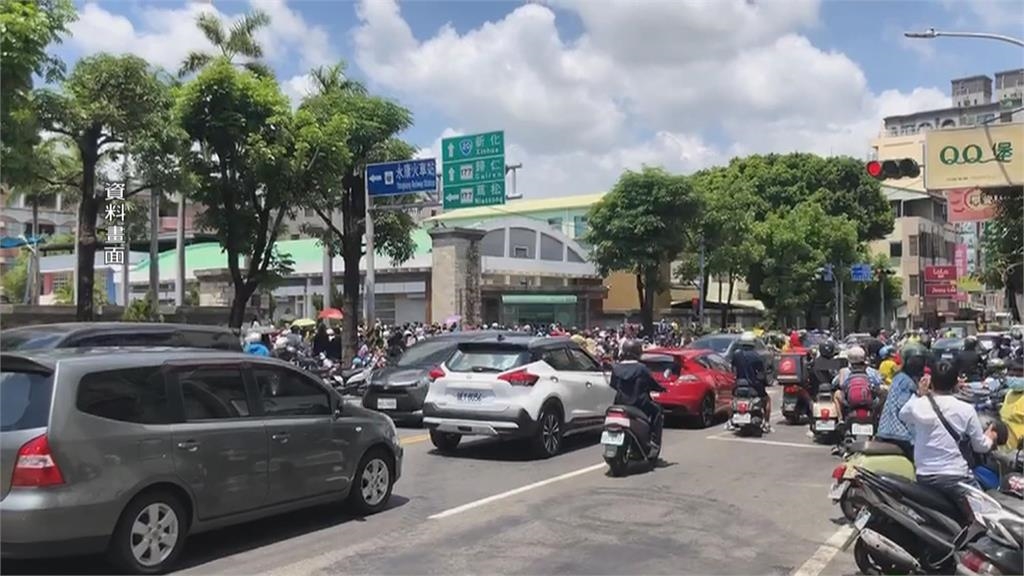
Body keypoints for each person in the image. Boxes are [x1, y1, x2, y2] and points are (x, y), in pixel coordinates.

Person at [899, 360, 997, 507]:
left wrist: (920, 394)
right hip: (955, 476)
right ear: (956, 382)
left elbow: (903, 415)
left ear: (931, 381)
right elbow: (980, 447)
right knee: (988, 513)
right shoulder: (965, 409)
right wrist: (991, 437)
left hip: (924, 476)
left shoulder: (918, 404)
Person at [609, 339, 666, 456]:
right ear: (638, 352)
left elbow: (613, 384)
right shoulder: (642, 369)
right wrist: (661, 389)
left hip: (620, 403)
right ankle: (654, 442)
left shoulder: (616, 368)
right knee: (657, 412)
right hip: (640, 404)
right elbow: (652, 384)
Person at [876, 346, 930, 461]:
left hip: (885, 431)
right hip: (901, 434)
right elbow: (906, 409)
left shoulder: (899, 378)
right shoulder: (907, 382)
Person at [732, 331, 771, 431]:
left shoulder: (736, 355)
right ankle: (766, 423)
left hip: (739, 385)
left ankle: (729, 420)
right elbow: (761, 374)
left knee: (731, 400)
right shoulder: (756, 356)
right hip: (753, 386)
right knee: (767, 400)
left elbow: (733, 369)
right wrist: (765, 382)